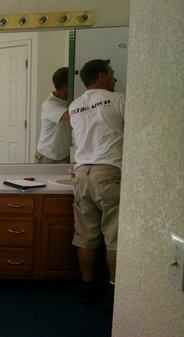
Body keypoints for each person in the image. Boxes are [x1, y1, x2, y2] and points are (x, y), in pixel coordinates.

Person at [69, 59, 124, 309]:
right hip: (108, 172)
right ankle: (114, 292)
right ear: (101, 75)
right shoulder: (118, 99)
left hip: (82, 174)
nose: (115, 78)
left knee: (85, 236)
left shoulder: (74, 106)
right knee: (113, 236)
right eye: (111, 74)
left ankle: (87, 288)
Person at [36, 67, 71, 164]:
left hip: (65, 155)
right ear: (65, 87)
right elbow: (70, 117)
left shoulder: (70, 100)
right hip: (48, 156)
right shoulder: (50, 104)